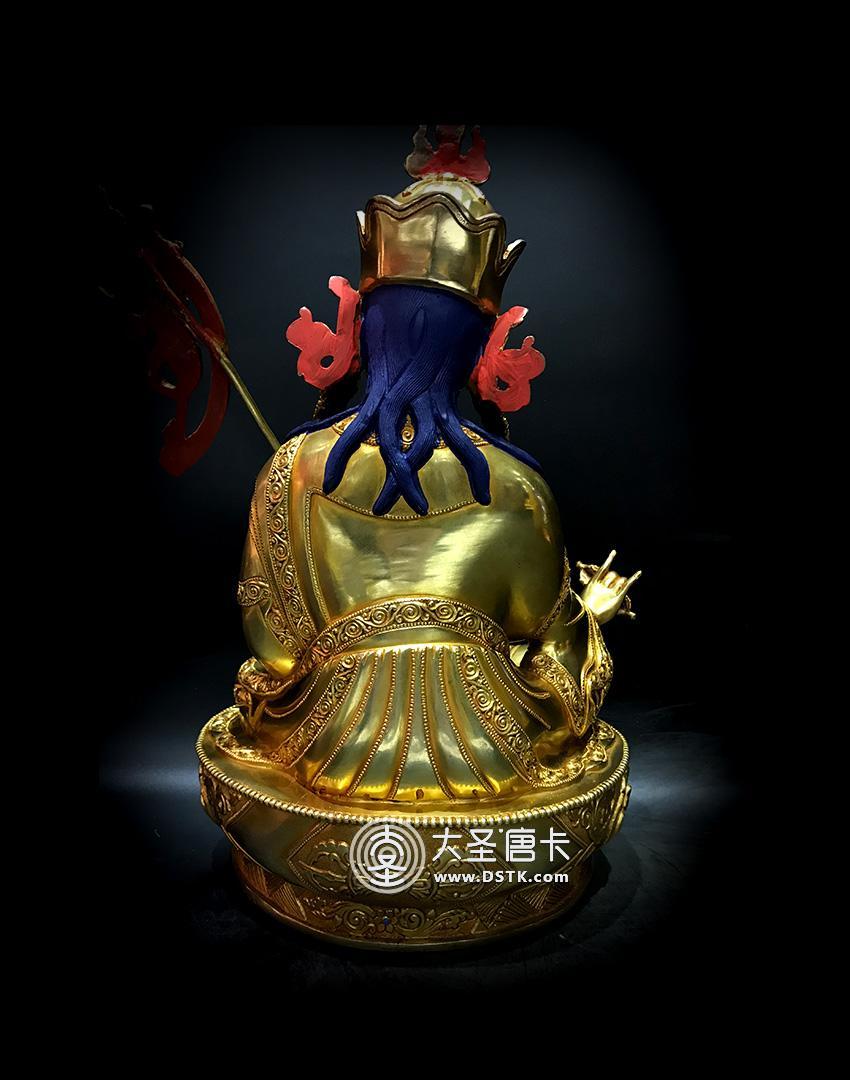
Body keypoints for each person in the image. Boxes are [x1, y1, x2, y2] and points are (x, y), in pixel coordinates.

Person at [233, 280, 640, 803]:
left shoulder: (288, 472)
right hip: (494, 766)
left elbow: (273, 651)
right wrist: (589, 614)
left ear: (361, 340)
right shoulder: (517, 486)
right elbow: (554, 649)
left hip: (318, 756)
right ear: (475, 357)